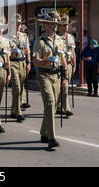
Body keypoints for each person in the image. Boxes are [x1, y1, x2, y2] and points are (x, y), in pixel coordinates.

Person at [32, 11, 68, 149]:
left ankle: (43, 132)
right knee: (50, 103)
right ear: (45, 25)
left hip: (57, 76)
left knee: (51, 106)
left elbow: (63, 59)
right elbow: (35, 61)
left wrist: (65, 76)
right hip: (44, 75)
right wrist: (47, 60)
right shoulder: (39, 42)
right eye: (52, 24)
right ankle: (51, 138)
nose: (54, 26)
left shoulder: (59, 40)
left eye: (56, 24)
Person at [8, 14, 31, 122]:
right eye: (16, 23)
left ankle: (13, 110)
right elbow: (5, 53)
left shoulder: (23, 36)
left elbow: (27, 50)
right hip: (12, 63)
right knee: (16, 87)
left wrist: (29, 62)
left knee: (20, 88)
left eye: (20, 23)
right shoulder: (7, 36)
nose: (18, 25)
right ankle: (18, 112)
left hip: (22, 63)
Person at [57, 15, 75, 117]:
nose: (66, 27)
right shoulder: (57, 38)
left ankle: (59, 107)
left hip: (69, 64)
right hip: (60, 65)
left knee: (64, 87)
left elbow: (73, 52)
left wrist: (75, 64)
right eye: (63, 25)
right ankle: (66, 108)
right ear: (60, 26)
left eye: (67, 25)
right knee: (64, 87)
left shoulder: (71, 37)